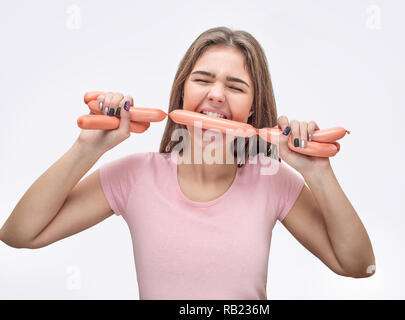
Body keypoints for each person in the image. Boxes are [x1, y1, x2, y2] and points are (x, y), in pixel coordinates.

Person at [0, 26, 375, 300]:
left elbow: (358, 266)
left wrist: (317, 172)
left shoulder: (272, 180)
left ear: (253, 110)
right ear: (183, 91)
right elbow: (19, 235)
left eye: (235, 86)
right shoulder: (134, 176)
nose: (215, 94)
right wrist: (89, 147)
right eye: (203, 80)